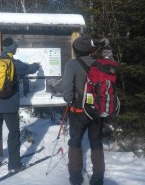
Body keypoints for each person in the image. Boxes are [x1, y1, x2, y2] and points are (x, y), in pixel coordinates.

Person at [0, 37, 40, 173]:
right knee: (14, 134)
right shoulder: (15, 64)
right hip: (10, 107)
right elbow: (30, 69)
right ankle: (14, 165)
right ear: (13, 50)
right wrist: (37, 65)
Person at [62, 34, 105, 185]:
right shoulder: (100, 64)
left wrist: (69, 100)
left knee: (75, 142)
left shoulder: (72, 65)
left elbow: (67, 90)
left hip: (78, 111)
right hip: (97, 111)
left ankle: (75, 179)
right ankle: (98, 180)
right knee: (96, 142)